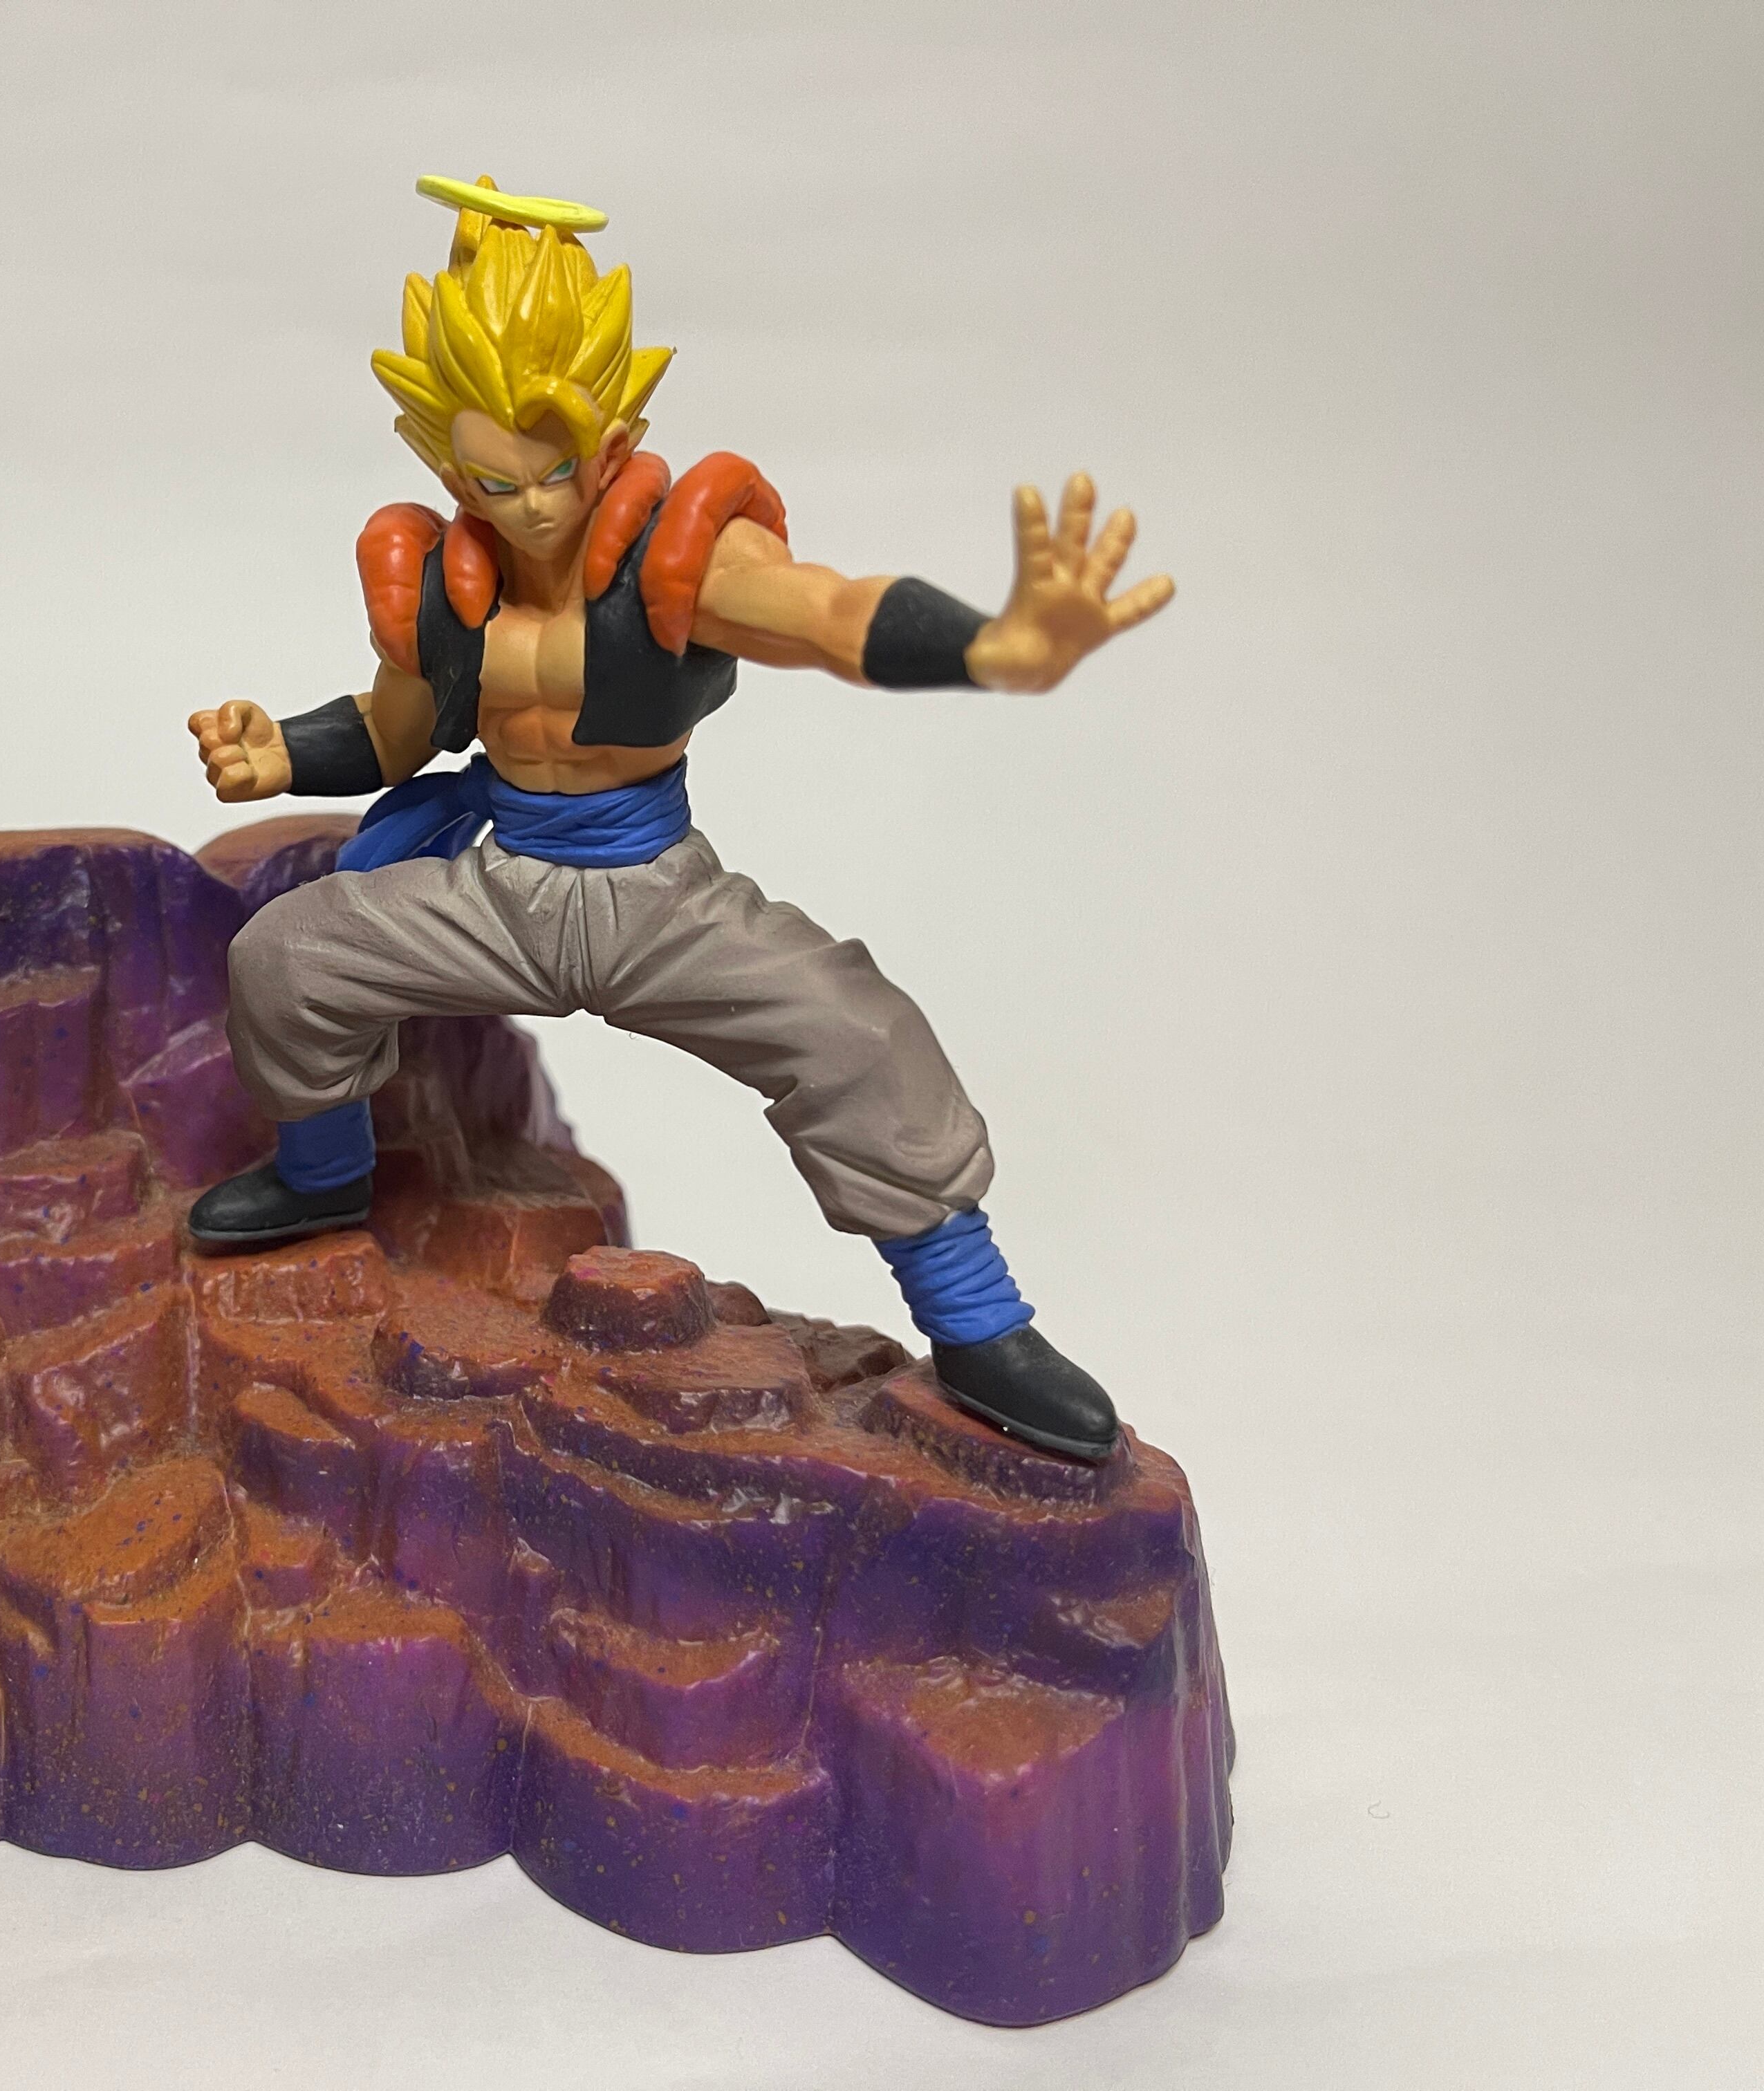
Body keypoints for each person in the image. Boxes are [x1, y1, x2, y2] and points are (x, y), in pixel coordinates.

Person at [183, 176, 1173, 1463]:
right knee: (287, 958)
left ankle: (979, 1323)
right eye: (494, 480)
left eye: (557, 471)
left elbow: (829, 614)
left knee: (859, 1033)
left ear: (614, 434)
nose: (534, 506)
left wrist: (992, 645)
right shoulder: (442, 578)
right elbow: (401, 728)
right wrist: (283, 751)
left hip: (655, 894)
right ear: (444, 459)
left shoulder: (679, 554)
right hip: (502, 891)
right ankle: (325, 1176)